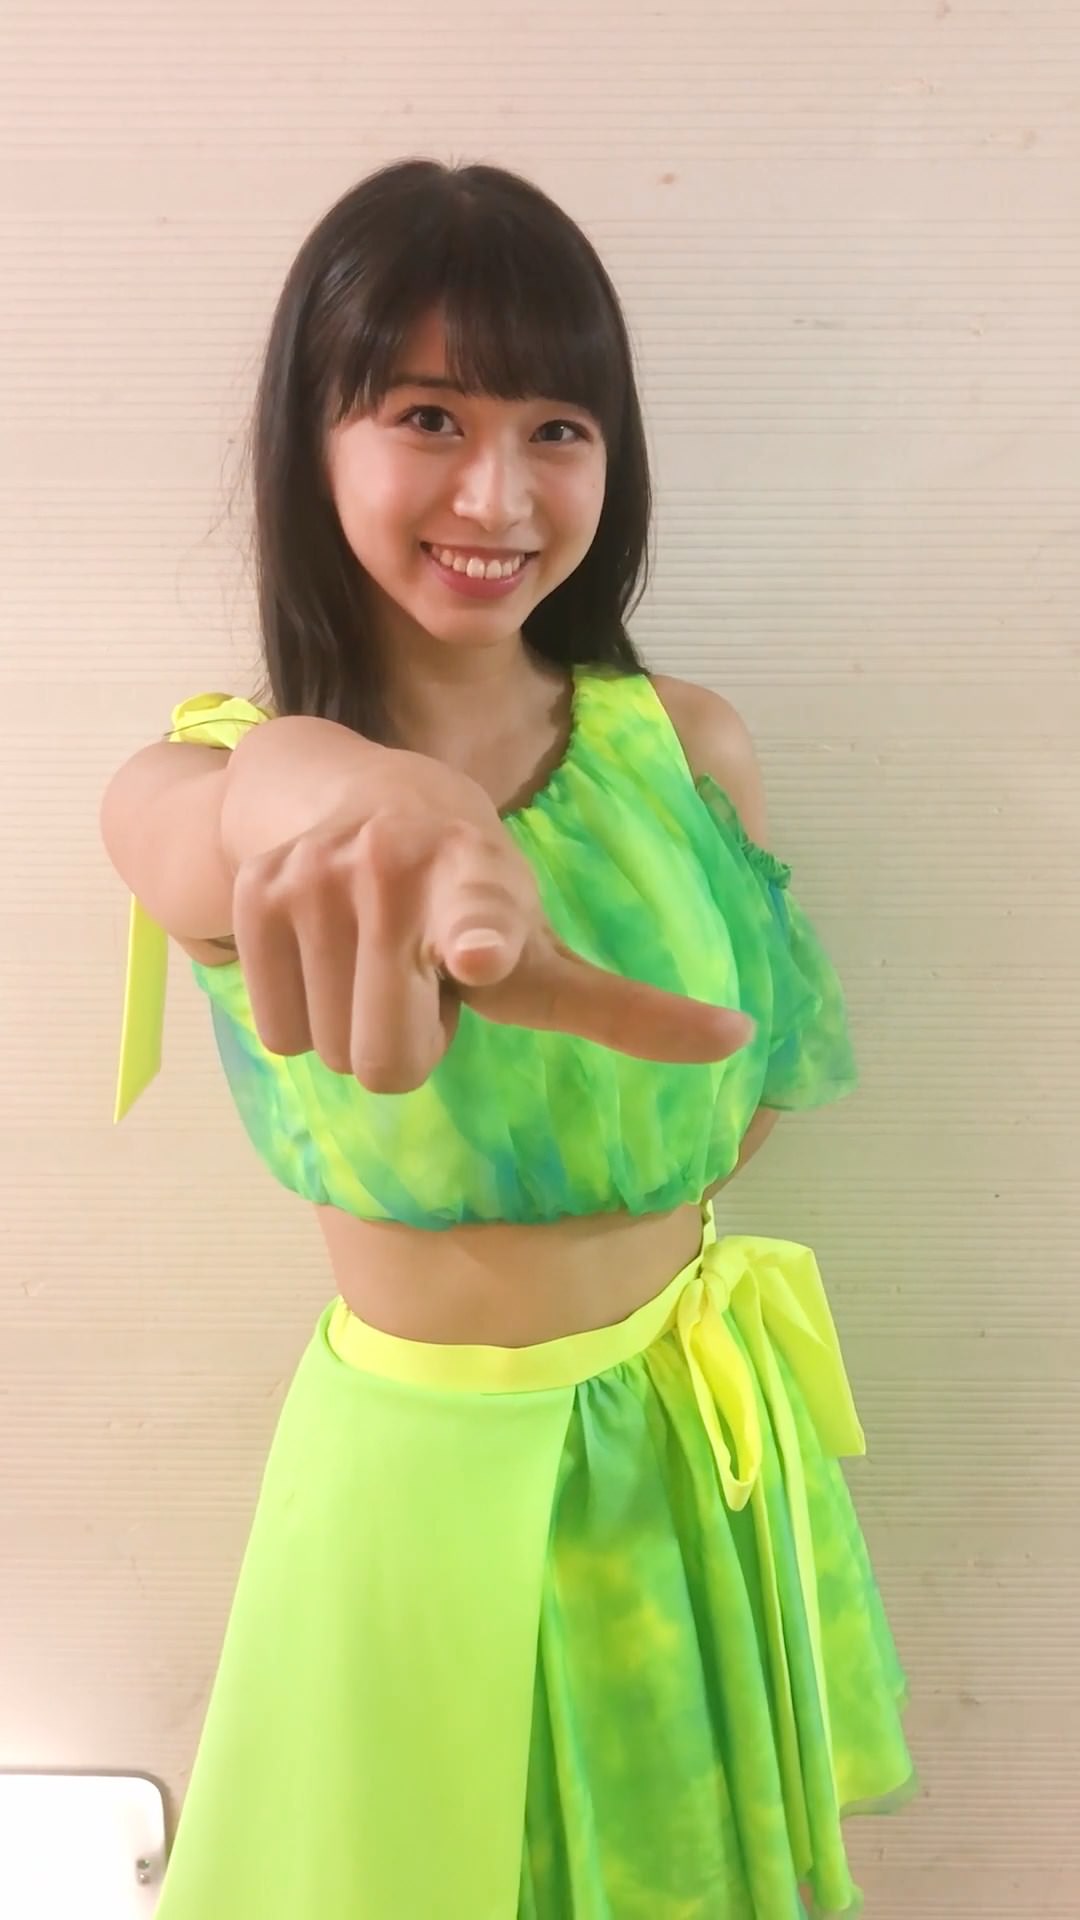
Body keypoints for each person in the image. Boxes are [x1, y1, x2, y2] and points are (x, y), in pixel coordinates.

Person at [101, 157, 914, 1920]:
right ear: (313, 444)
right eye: (428, 416)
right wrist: (334, 790)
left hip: (687, 1445)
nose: (498, 489)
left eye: (558, 427)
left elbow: (749, 1081)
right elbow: (190, 829)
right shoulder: (228, 778)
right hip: (416, 1480)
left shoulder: (686, 746)